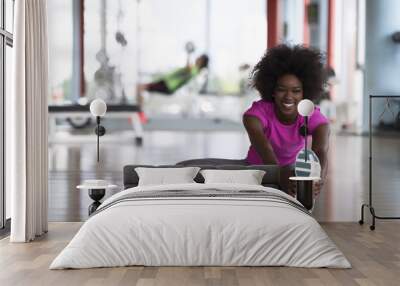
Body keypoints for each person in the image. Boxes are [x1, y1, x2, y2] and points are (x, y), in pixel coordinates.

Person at [243, 44, 330, 197]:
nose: (288, 96)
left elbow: (320, 151)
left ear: (304, 93)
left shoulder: (311, 115)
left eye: (296, 91)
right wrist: (278, 174)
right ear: (273, 91)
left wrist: (318, 179)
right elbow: (265, 149)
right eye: (281, 89)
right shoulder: (258, 113)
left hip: (290, 169)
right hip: (257, 169)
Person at [137, 54, 209, 98]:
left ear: (202, 61)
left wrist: (189, 54)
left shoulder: (195, 70)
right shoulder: (194, 69)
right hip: (166, 82)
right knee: (144, 87)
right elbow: (187, 68)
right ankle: (138, 110)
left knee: (143, 87)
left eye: (200, 58)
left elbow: (188, 68)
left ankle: (137, 110)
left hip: (169, 85)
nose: (197, 58)